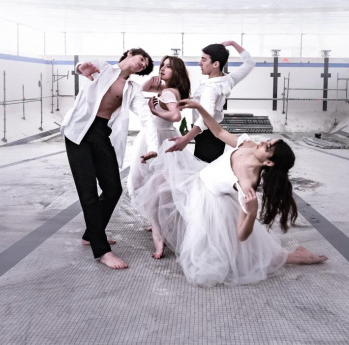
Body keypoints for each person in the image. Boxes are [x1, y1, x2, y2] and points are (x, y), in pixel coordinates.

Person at [132, 99, 327, 286]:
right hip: (197, 179)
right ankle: (159, 233)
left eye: (267, 147)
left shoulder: (246, 183)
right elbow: (218, 132)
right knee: (159, 180)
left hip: (211, 202)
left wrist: (251, 214)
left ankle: (297, 256)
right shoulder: (248, 146)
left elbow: (242, 234)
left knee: (226, 265)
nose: (263, 143)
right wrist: (199, 107)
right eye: (268, 140)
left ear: (268, 162)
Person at [62, 48, 159, 270]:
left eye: (144, 66)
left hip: (101, 133)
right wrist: (80, 68)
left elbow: (146, 118)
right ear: (130, 53)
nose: (142, 64)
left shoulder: (132, 89)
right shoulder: (102, 67)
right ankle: (102, 249)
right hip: (77, 133)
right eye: (141, 59)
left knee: (113, 189)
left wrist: (153, 146)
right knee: (88, 192)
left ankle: (91, 233)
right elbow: (83, 65)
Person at [127, 55, 190, 259]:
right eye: (162, 65)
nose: (163, 69)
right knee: (151, 184)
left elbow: (175, 116)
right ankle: (157, 222)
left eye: (168, 67)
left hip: (159, 139)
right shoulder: (163, 89)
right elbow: (141, 89)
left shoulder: (169, 92)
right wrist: (153, 81)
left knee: (145, 184)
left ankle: (158, 230)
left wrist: (155, 112)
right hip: (156, 137)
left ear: (177, 72)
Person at [166, 41, 255, 162]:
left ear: (215, 64)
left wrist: (186, 139)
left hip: (207, 137)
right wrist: (233, 44)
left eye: (204, 59)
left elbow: (205, 118)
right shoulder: (228, 79)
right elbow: (249, 63)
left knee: (202, 174)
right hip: (214, 135)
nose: (200, 63)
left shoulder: (211, 88)